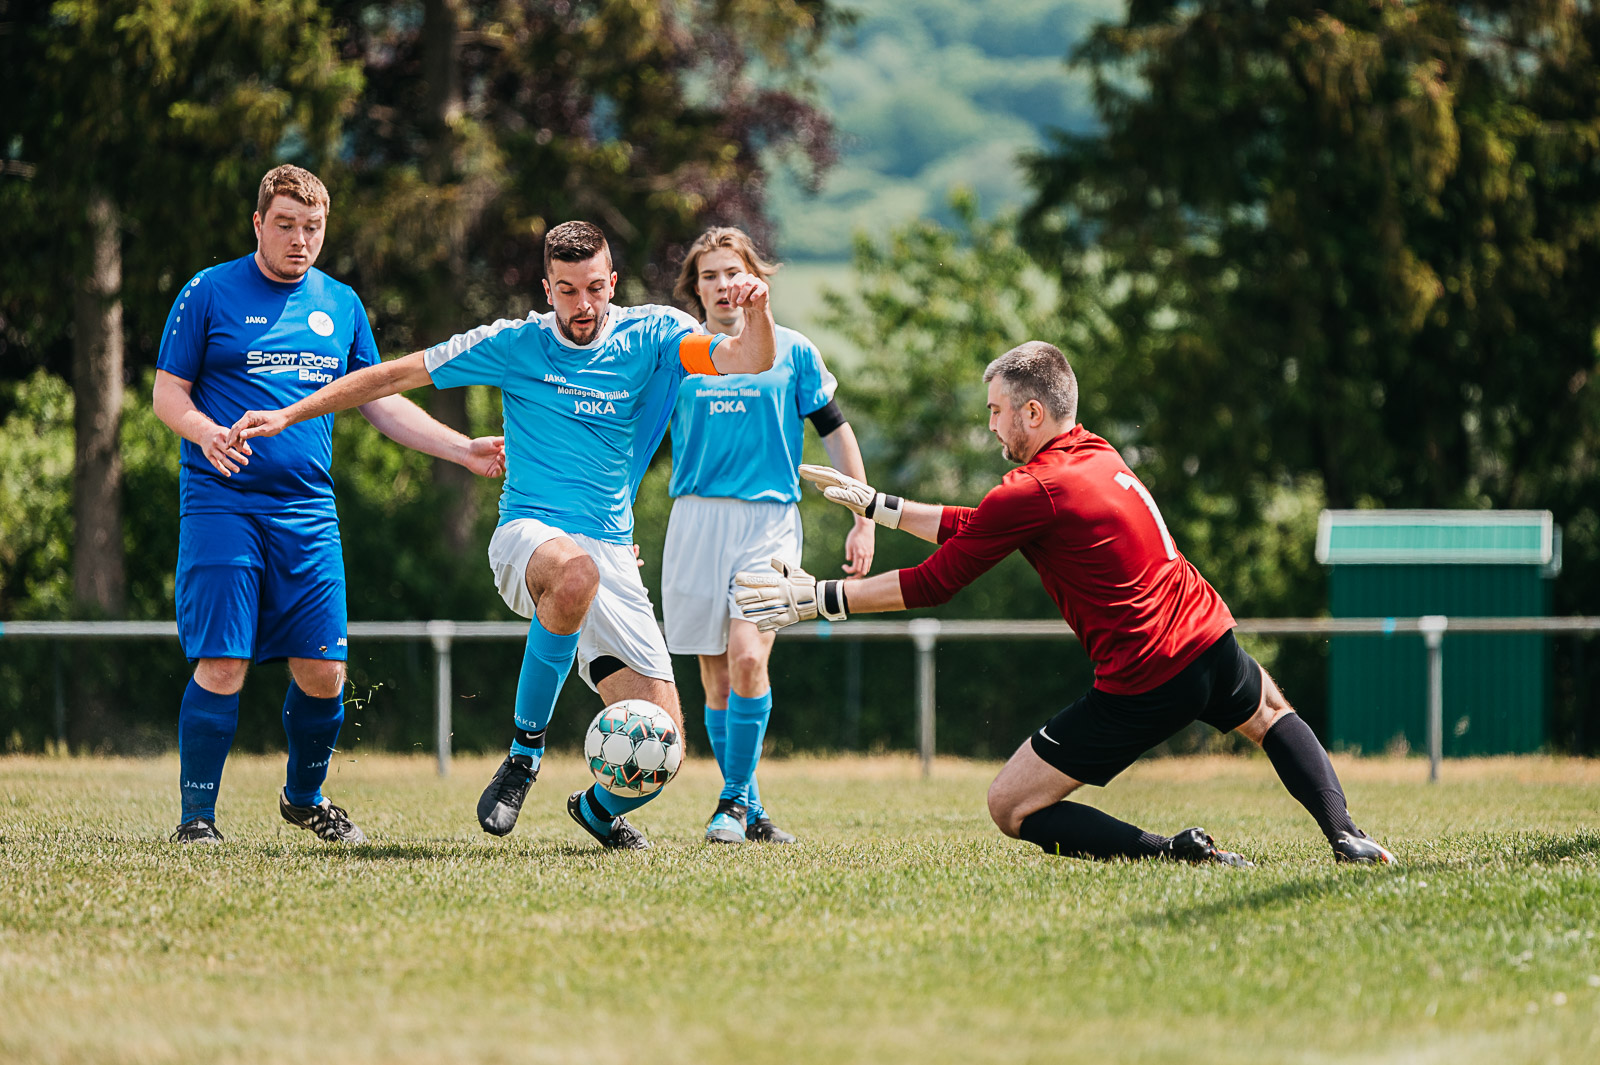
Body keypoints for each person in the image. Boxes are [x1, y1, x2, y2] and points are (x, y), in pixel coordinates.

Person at [733, 341, 1395, 865]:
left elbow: (936, 582)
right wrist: (883, 506)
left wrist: (818, 598)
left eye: (996, 410)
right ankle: (1347, 834)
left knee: (1011, 805)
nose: (990, 424)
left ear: (1032, 412)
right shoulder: (1095, 453)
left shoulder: (1031, 489)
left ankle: (1171, 853)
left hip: (1148, 676)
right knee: (1272, 714)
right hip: (1209, 636)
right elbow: (983, 526)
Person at [225, 221, 776, 850]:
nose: (584, 305)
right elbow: (390, 376)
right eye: (567, 291)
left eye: (595, 288)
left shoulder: (657, 333)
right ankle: (524, 755)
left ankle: (598, 811)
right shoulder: (512, 344)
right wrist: (289, 413)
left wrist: (757, 311)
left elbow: (747, 359)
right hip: (529, 536)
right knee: (575, 573)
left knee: (663, 747)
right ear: (547, 289)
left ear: (613, 281)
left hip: (611, 552)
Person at [153, 164, 506, 845]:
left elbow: (377, 399)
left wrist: (462, 448)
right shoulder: (208, 291)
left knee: (324, 670)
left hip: (308, 511)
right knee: (223, 661)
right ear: (258, 223)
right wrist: (205, 433)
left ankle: (304, 798)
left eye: (311, 227)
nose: (299, 239)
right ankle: (197, 818)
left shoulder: (340, 303)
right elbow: (168, 392)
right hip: (222, 503)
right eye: (285, 224)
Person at [662, 227, 875, 845]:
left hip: (769, 522)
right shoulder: (679, 354)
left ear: (755, 278)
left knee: (749, 657)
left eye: (733, 271)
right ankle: (750, 810)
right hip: (695, 521)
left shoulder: (794, 351)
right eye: (709, 275)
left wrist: (863, 515)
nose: (723, 284)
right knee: (717, 681)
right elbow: (636, 442)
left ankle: (730, 802)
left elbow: (835, 431)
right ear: (695, 288)